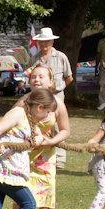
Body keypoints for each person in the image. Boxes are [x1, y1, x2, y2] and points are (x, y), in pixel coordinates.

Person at [13, 66, 71, 209]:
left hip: (45, 155)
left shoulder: (57, 103)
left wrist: (51, 141)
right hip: (24, 154)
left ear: (51, 82)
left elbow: (65, 130)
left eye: (41, 77)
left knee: (47, 192)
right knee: (20, 193)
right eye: (33, 77)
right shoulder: (23, 103)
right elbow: (11, 125)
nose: (36, 80)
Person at [31, 27, 73, 168]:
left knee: (58, 125)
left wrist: (59, 89)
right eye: (41, 42)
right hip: (40, 97)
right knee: (41, 125)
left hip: (57, 97)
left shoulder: (61, 57)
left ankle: (60, 158)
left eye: (47, 42)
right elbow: (30, 76)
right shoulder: (34, 58)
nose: (44, 45)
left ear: (52, 42)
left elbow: (69, 77)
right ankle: (42, 156)